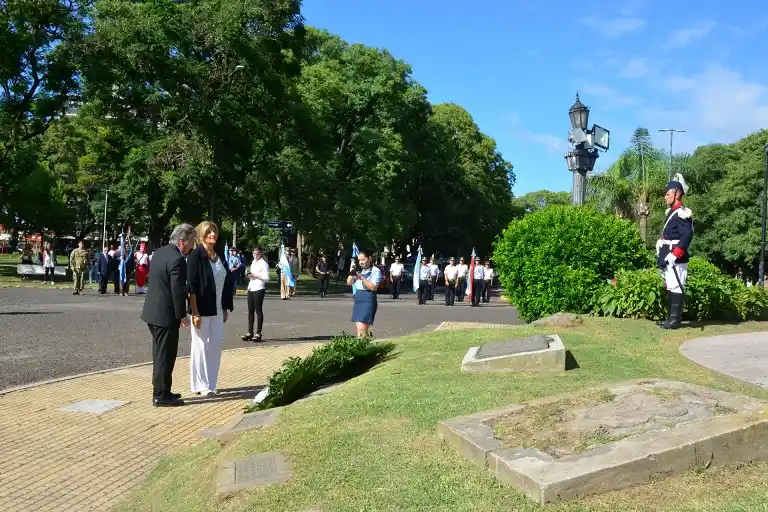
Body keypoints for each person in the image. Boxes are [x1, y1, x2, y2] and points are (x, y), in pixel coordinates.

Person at [140, 223, 195, 407]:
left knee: (162, 354)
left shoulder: (161, 252)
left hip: (153, 312)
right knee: (165, 355)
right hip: (165, 315)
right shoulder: (177, 260)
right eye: (191, 241)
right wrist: (182, 315)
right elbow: (176, 290)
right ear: (182, 241)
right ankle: (160, 394)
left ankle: (164, 389)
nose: (192, 245)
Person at [186, 221, 234, 396]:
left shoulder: (219, 254)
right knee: (200, 346)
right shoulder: (195, 256)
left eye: (214, 231)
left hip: (218, 308)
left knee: (214, 345)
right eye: (209, 232)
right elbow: (191, 287)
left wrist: (225, 307)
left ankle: (211, 383)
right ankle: (200, 385)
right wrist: (195, 312)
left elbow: (225, 281)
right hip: (201, 309)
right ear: (201, 235)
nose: (213, 234)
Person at [657, 173, 693, 330]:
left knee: (677, 287)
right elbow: (669, 234)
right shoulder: (671, 212)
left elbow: (687, 235)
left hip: (676, 256)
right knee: (671, 286)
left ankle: (675, 320)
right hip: (669, 254)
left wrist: (675, 253)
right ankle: (669, 319)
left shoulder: (682, 212)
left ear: (677, 194)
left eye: (667, 194)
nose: (665, 197)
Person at [346, 248, 381, 338]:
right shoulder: (359, 270)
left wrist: (362, 277)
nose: (360, 262)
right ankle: (363, 346)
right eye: (359, 260)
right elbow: (349, 283)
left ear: (369, 258)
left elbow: (373, 287)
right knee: (360, 329)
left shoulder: (375, 271)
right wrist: (352, 273)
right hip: (358, 298)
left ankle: (363, 346)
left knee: (362, 328)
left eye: (363, 259)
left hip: (368, 298)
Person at [242, 246, 270, 342]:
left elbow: (266, 277)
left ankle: (258, 333)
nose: (255, 255)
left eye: (257, 254)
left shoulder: (263, 264)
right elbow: (252, 274)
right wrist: (249, 275)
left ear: (260, 254)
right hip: (251, 287)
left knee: (258, 310)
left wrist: (255, 275)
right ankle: (250, 332)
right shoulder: (253, 262)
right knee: (250, 310)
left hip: (259, 287)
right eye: (254, 254)